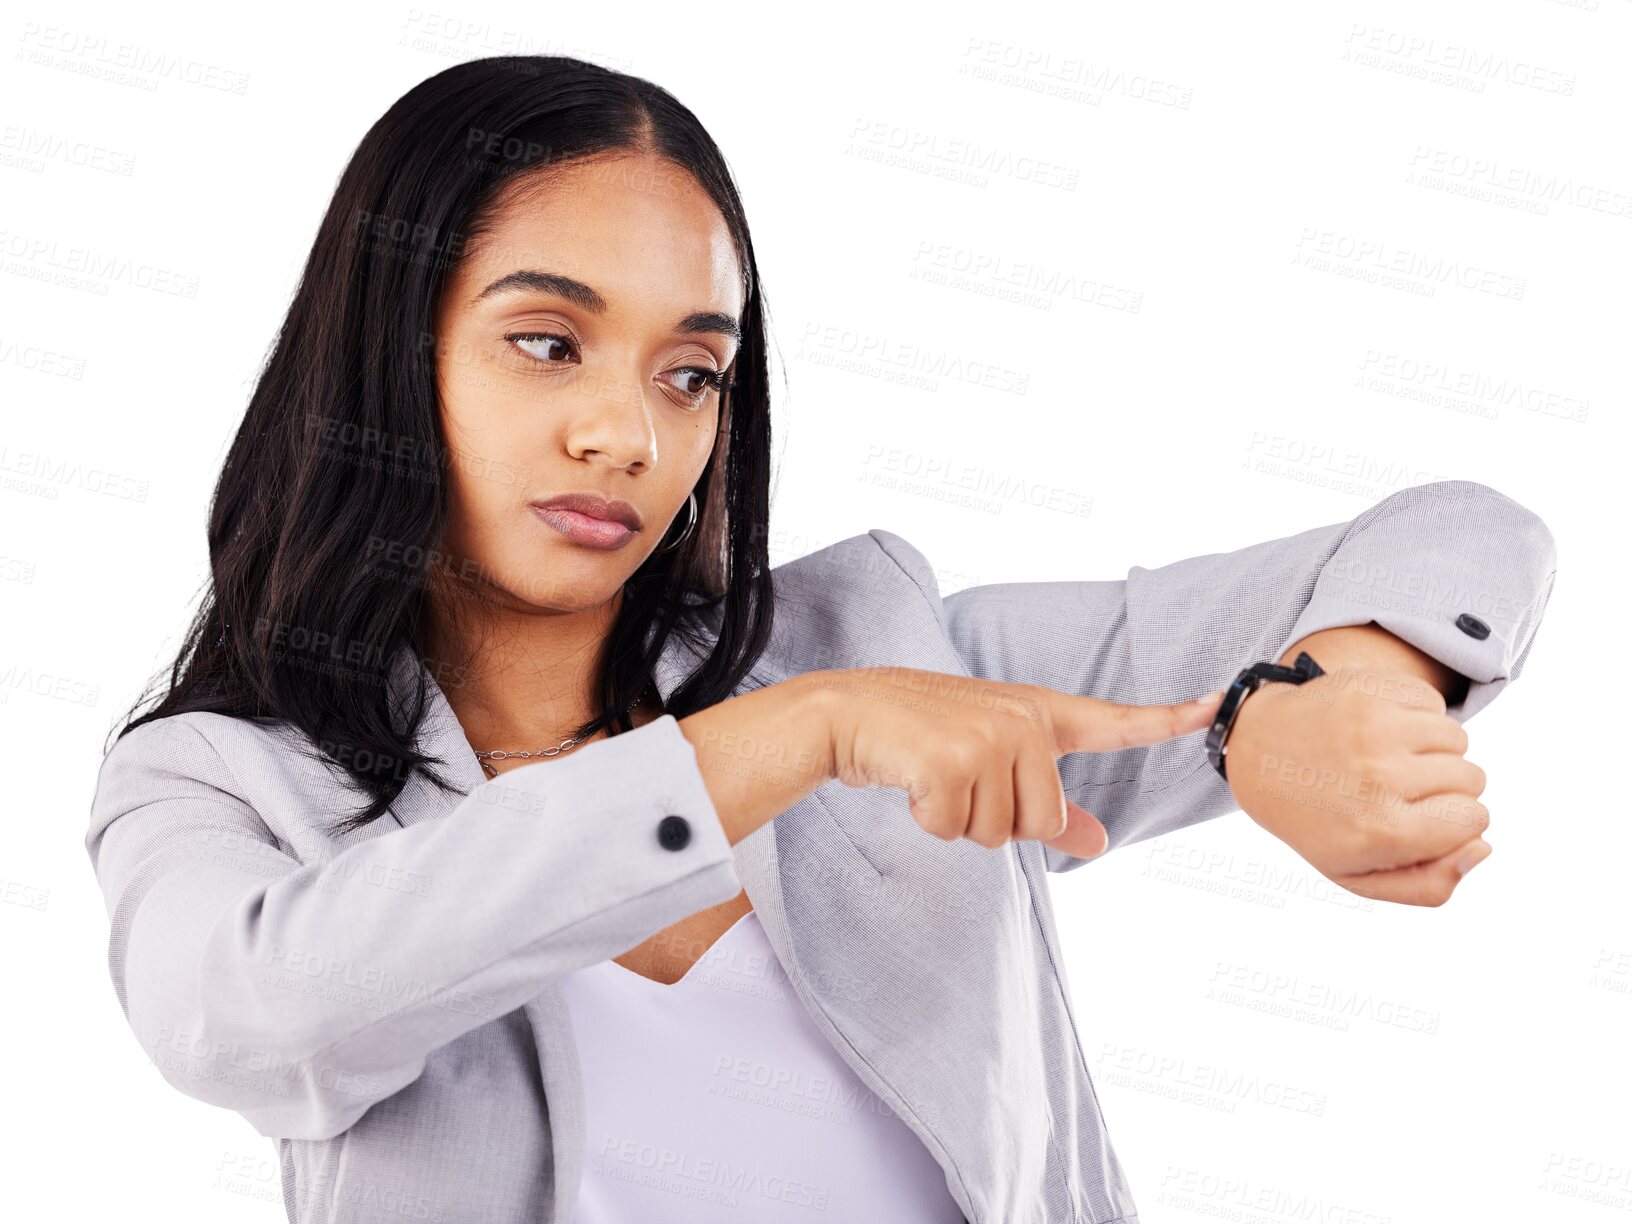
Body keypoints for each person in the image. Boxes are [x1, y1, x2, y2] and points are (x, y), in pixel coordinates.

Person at [84, 55, 1557, 1224]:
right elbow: (251, 1025)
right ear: (387, 347)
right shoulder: (220, 780)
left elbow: (1458, 532)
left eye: (691, 373)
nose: (625, 435)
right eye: (548, 342)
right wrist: (792, 735)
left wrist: (1335, 686)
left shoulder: (896, 650)